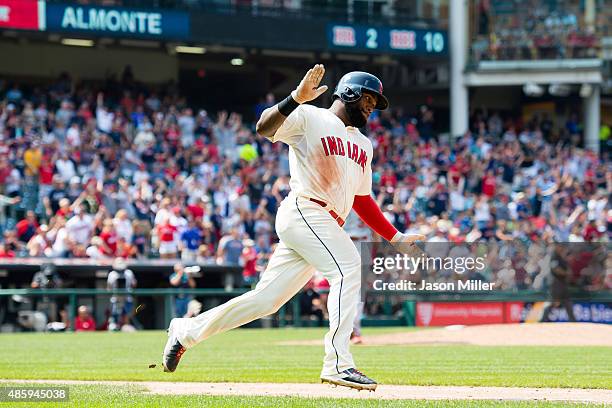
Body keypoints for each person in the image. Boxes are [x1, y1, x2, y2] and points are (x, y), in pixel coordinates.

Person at [162, 65, 424, 391]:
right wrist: (294, 99)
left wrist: (395, 237)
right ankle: (339, 363)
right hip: (305, 209)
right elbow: (263, 127)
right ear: (350, 92)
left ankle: (185, 331)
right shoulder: (311, 116)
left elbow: (362, 199)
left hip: (324, 223)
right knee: (347, 266)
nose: (373, 107)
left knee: (265, 301)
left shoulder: (363, 145)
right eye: (370, 98)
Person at [107, 258, 137, 331]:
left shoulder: (129, 272)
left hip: (127, 298)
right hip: (115, 298)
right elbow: (109, 288)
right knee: (114, 316)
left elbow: (134, 284)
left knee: (127, 315)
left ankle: (125, 328)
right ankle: (114, 328)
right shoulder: (112, 274)